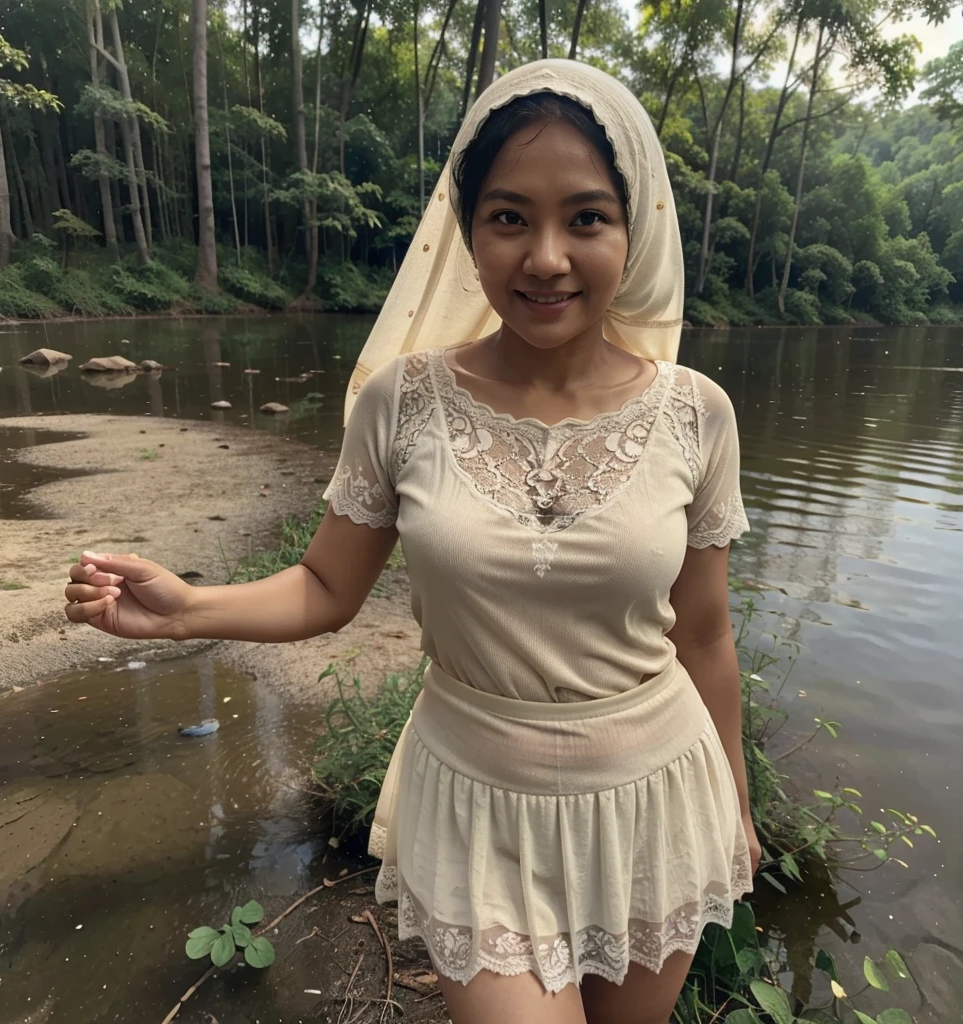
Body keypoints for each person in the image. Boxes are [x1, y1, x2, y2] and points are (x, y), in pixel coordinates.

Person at [64, 59, 759, 1024]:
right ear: (466, 236)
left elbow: (706, 634)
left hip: (654, 796)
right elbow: (324, 586)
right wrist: (189, 609)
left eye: (587, 218)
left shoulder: (698, 416)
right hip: (476, 802)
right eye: (510, 216)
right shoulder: (405, 401)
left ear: (633, 231)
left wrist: (734, 798)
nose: (547, 256)